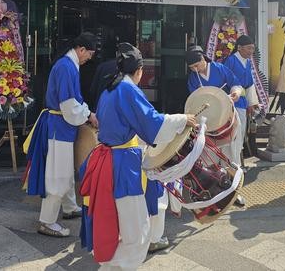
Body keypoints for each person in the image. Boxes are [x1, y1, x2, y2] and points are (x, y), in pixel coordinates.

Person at [78, 44, 200, 269]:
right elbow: (152, 122)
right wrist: (183, 119)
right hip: (122, 164)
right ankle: (117, 266)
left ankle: (110, 265)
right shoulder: (128, 90)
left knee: (114, 221)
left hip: (106, 159)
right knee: (137, 230)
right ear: (139, 70)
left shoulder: (110, 88)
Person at [29, 33, 98, 237]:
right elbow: (69, 105)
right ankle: (47, 221)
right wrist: (89, 114)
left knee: (65, 170)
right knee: (58, 175)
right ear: (81, 49)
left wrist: (86, 113)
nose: (89, 58)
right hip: (59, 127)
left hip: (61, 125)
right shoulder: (67, 67)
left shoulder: (67, 65)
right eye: (90, 54)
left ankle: (69, 207)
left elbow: (70, 103)